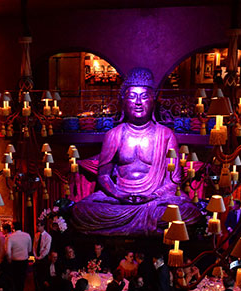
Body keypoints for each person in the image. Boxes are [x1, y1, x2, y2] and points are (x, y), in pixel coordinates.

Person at [70, 67, 201, 235]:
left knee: (188, 212)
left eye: (144, 96)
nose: (138, 102)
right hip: (120, 197)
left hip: (155, 199)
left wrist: (153, 196)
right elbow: (103, 176)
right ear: (123, 101)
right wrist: (118, 194)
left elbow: (174, 180)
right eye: (132, 96)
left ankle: (129, 225)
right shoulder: (114, 135)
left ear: (153, 100)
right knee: (81, 210)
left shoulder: (166, 135)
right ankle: (144, 225)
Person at [5, 221, 32, 291]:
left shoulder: (10, 237)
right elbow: (29, 249)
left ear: (13, 227)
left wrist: (9, 260)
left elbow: (7, 252)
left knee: (14, 280)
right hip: (24, 261)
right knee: (22, 280)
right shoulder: (27, 236)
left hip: (14, 261)